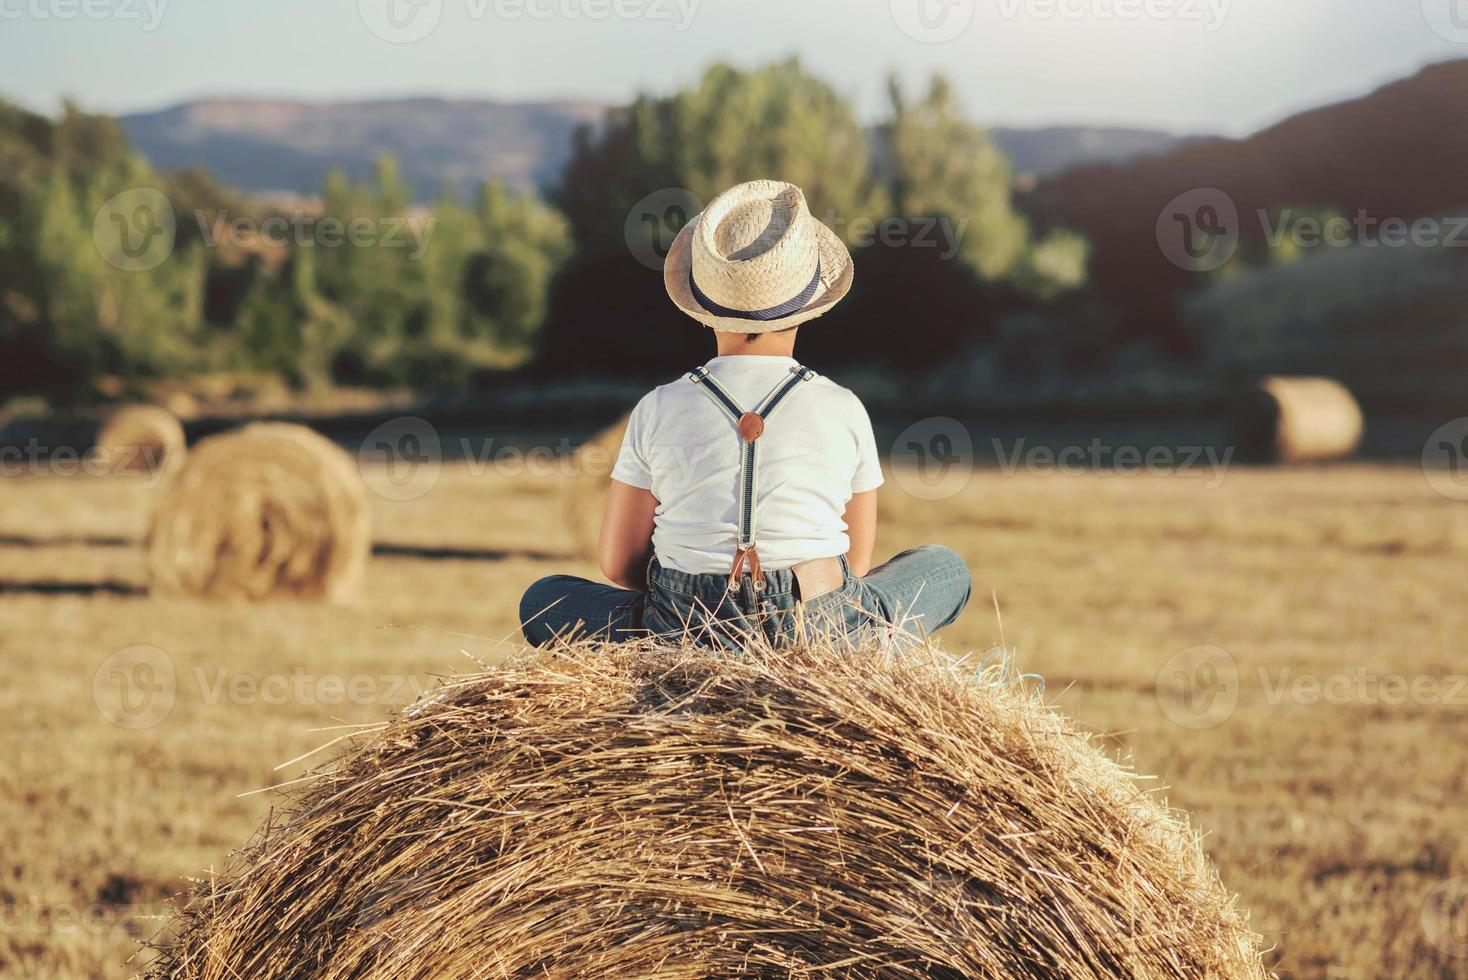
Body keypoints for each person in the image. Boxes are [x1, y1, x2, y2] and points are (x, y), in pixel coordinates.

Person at [521, 179, 971, 650]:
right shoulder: (844, 406)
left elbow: (617, 566)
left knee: (543, 599)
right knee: (945, 568)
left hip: (682, 628)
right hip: (818, 626)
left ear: (702, 308)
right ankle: (859, 649)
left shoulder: (657, 406)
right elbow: (855, 565)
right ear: (809, 305)